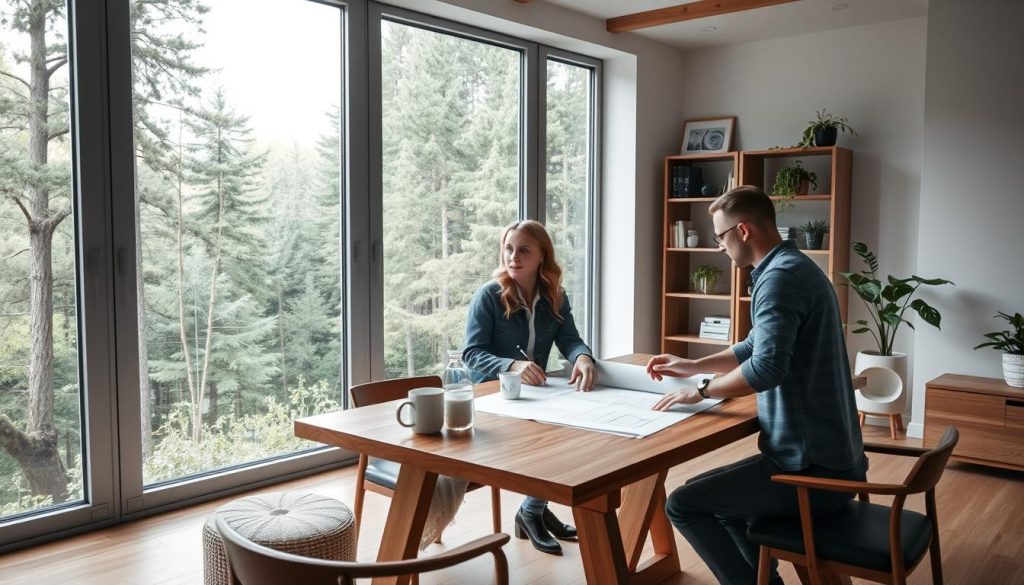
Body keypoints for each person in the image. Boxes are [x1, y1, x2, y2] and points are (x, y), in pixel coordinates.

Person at [646, 186, 866, 585]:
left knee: (682, 503)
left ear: (742, 231)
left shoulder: (778, 279)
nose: (719, 248)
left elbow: (765, 369)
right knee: (716, 499)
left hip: (811, 471)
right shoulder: (793, 266)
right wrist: (693, 365)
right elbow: (754, 346)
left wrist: (701, 391)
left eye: (720, 237)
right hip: (834, 457)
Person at [463, 219, 596, 555]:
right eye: (509, 248)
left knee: (575, 427)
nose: (514, 256)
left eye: (524, 249)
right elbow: (471, 354)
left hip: (536, 394)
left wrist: (583, 358)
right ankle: (533, 512)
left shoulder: (555, 295)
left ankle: (534, 509)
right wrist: (512, 365)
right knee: (550, 436)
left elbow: (571, 340)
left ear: (542, 256)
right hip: (494, 397)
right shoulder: (489, 296)